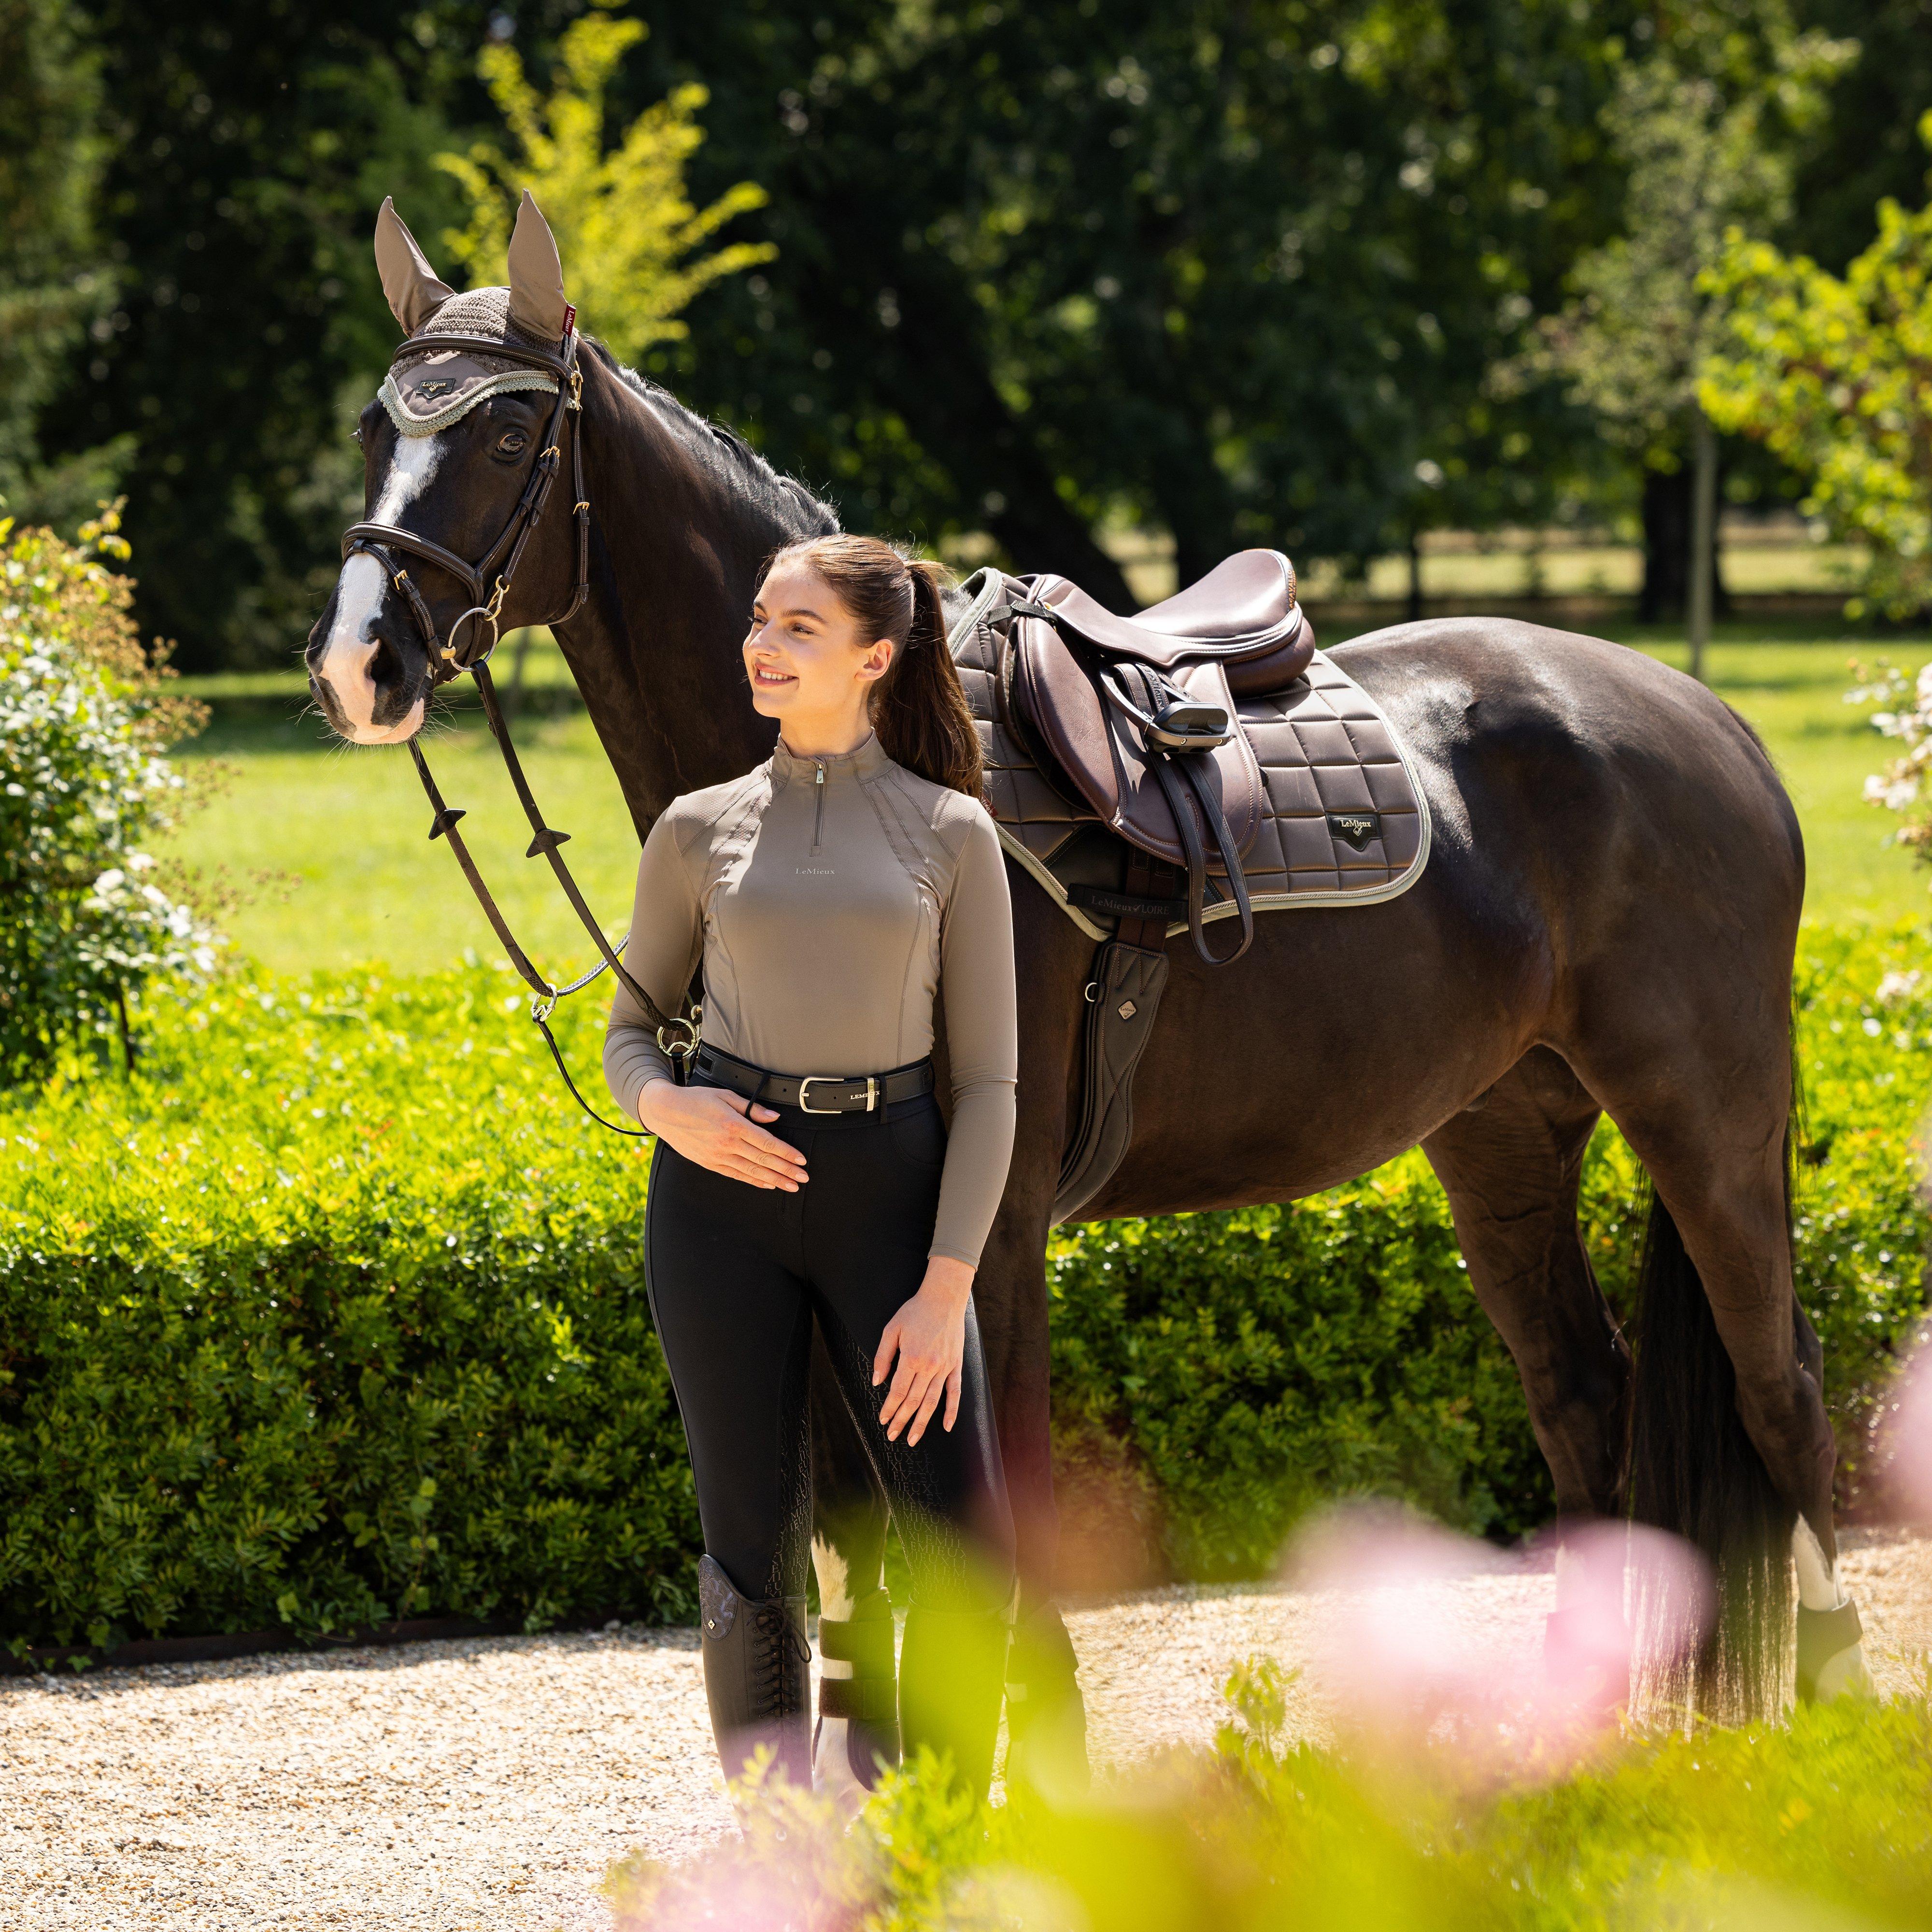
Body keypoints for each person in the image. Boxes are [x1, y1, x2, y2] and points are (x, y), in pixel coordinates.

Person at [603, 534, 1019, 1802]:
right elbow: (629, 1034)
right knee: (748, 1548)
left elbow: (990, 1085)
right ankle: (778, 1845)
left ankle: (934, 1843)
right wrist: (670, 1110)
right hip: (717, 1209)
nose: (762, 646)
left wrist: (946, 1289)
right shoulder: (696, 829)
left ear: (875, 658)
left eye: (798, 627)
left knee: (960, 1546)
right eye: (759, 621)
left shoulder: (953, 833)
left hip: (893, 1197)